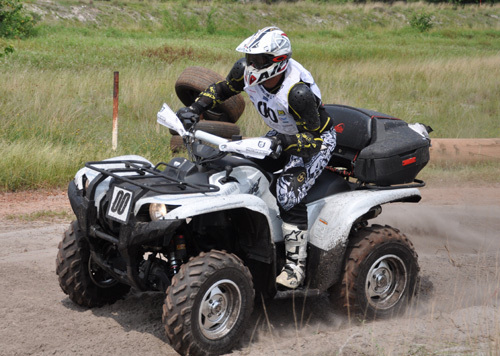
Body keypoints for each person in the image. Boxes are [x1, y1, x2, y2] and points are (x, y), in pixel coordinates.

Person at [177, 26, 336, 289]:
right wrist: (195, 109)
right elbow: (223, 89)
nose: (252, 65)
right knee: (239, 166)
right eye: (251, 58)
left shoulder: (298, 93)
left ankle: (296, 266)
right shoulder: (244, 70)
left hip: (314, 140)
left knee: (287, 191)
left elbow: (313, 140)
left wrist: (281, 143)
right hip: (281, 134)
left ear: (278, 61)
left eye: (259, 60)